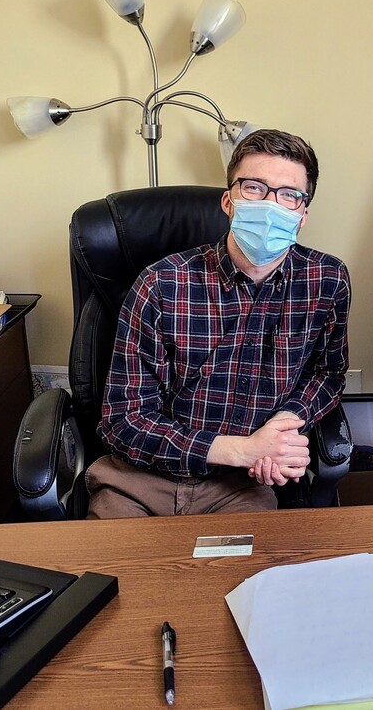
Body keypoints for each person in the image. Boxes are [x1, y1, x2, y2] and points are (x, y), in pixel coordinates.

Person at [87, 129, 351, 519]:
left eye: (288, 194)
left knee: (247, 579)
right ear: (228, 201)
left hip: (241, 485)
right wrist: (245, 449)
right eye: (255, 188)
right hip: (140, 480)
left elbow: (327, 373)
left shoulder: (326, 281)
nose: (271, 204)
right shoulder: (162, 283)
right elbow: (123, 421)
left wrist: (284, 426)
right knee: (120, 580)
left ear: (302, 216)